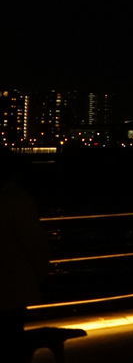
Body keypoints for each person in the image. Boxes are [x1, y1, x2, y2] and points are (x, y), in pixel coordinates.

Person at [1, 151, 49, 363]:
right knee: (12, 338)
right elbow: (33, 242)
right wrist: (41, 275)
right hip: (11, 286)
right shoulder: (17, 199)